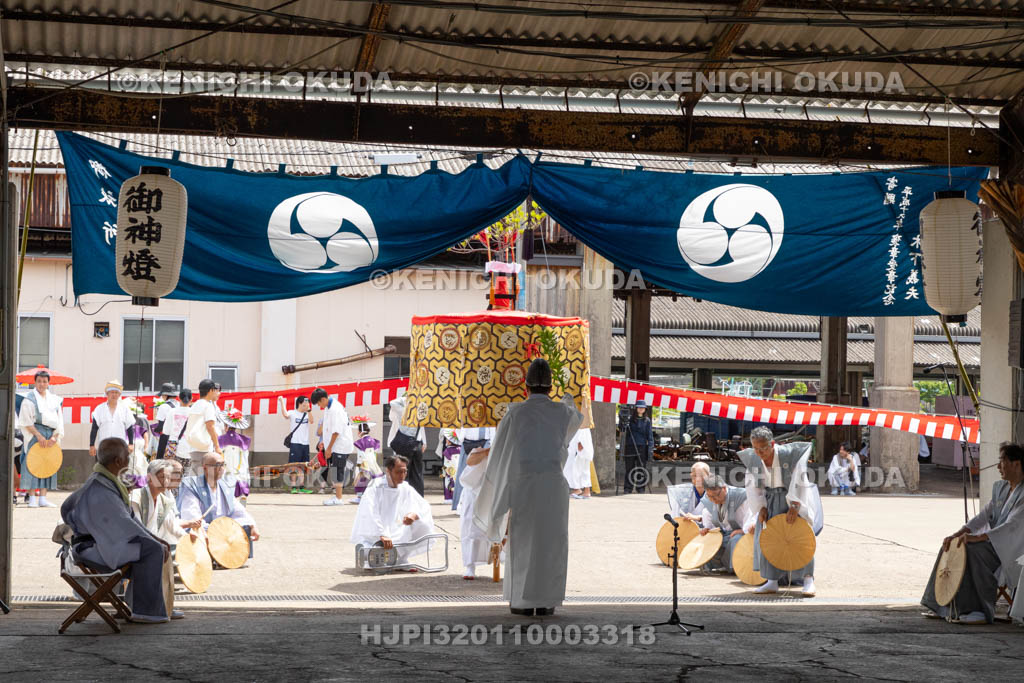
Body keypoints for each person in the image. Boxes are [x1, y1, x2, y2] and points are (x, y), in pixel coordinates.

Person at [474, 358, 583, 616]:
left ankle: (522, 601)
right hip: (554, 486)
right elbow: (575, 419)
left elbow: (501, 453)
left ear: (525, 385)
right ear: (550, 386)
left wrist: (498, 490)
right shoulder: (563, 411)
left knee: (523, 541)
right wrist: (567, 397)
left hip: (525, 483)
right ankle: (547, 601)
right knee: (551, 543)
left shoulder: (515, 412)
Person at [60, 438, 180, 622]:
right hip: (91, 549)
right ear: (117, 461)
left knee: (155, 546)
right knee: (153, 551)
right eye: (127, 456)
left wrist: (155, 539)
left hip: (100, 544)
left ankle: (143, 606)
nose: (129, 459)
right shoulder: (100, 488)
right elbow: (124, 522)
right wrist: (154, 542)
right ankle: (145, 611)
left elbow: (128, 519)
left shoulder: (104, 482)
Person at [922, 442, 1024, 624]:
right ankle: (942, 605)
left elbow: (1012, 526)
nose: (999, 467)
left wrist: (976, 538)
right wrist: (958, 533)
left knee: (971, 550)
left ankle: (978, 611)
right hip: (992, 543)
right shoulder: (1001, 488)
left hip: (1011, 549)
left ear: (1016, 464)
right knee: (951, 545)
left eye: (1002, 461)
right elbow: (983, 516)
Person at [739, 426, 822, 597]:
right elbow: (753, 486)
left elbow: (800, 480)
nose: (760, 452)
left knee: (798, 537)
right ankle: (772, 581)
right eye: (756, 448)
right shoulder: (753, 460)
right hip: (769, 500)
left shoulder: (790, 454)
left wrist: (795, 505)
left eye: (763, 448)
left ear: (772, 443)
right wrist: (760, 507)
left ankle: (808, 580)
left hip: (791, 497)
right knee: (770, 539)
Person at [350, 455, 436, 569]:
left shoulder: (405, 487)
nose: (402, 476)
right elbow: (370, 511)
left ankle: (401, 559)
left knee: (422, 524)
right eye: (398, 472)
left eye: (405, 472)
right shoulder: (376, 486)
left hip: (398, 530)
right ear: (388, 471)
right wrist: (382, 534)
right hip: (377, 533)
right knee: (371, 551)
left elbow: (422, 505)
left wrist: (413, 514)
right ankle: (371, 554)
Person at [178, 452, 259, 559]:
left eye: (223, 464)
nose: (221, 468)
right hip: (205, 528)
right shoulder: (192, 485)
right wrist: (212, 529)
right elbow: (191, 513)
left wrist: (252, 525)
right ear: (205, 468)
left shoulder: (225, 484)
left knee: (246, 526)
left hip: (223, 528)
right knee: (198, 532)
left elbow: (237, 509)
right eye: (217, 465)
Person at [18, 370, 65, 508]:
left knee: (47, 464)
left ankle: (43, 497)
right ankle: (32, 497)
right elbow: (25, 421)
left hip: (51, 435)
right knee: (32, 464)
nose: (42, 384)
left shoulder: (55, 400)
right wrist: (38, 435)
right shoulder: (29, 399)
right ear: (35, 382)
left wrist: (55, 437)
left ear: (48, 383)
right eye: (39, 381)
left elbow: (59, 422)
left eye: (45, 381)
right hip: (34, 434)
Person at [131, 459, 201, 547]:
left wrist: (187, 537)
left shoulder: (163, 501)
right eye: (162, 477)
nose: (166, 481)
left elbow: (172, 526)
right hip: (139, 546)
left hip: (154, 545)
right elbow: (137, 529)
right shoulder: (136, 498)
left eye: (168, 477)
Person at [697, 474, 750, 574]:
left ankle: (735, 568)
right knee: (708, 540)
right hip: (724, 534)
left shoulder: (741, 496)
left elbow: (751, 516)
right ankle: (717, 565)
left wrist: (743, 530)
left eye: (716, 495)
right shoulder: (709, 500)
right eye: (710, 496)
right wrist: (707, 529)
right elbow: (709, 518)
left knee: (736, 539)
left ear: (724, 489)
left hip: (742, 534)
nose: (714, 499)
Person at [312, 388, 355, 506]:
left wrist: (329, 448)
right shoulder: (328, 407)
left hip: (340, 445)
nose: (320, 406)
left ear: (323, 399)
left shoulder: (336, 409)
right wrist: (324, 444)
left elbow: (336, 431)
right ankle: (337, 496)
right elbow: (327, 428)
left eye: (319, 403)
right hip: (333, 444)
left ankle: (339, 498)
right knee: (336, 469)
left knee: (338, 471)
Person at [458, 445, 494, 579]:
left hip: (497, 489)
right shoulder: (481, 448)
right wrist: (487, 452)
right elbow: (470, 461)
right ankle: (470, 565)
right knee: (471, 527)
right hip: (475, 491)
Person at [387, 396, 427, 496]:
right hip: (417, 443)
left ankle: (404, 496)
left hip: (405, 444)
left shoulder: (403, 411)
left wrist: (406, 397)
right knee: (417, 473)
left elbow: (392, 402)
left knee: (403, 472)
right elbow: (422, 428)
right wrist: (424, 442)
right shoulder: (421, 412)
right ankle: (418, 497)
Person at [183, 379, 223, 475]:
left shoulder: (195, 405)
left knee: (194, 478)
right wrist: (217, 446)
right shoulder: (207, 406)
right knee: (203, 479)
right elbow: (210, 427)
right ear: (210, 391)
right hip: (204, 448)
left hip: (193, 446)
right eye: (215, 390)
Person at [452, 426, 495, 511]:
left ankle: (483, 504)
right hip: (466, 440)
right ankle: (459, 504)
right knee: (462, 472)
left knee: (483, 472)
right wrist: (461, 437)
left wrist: (492, 442)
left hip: (485, 440)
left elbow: (492, 426)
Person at [89, 381, 136, 457]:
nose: (114, 395)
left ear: (119, 394)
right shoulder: (99, 409)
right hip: (104, 447)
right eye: (112, 392)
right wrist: (92, 445)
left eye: (116, 392)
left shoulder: (125, 409)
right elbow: (94, 428)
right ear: (107, 394)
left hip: (120, 447)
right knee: (102, 468)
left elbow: (129, 427)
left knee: (119, 468)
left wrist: (131, 443)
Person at [279, 395, 313, 494]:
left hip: (305, 444)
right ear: (299, 403)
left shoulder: (307, 414)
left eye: (308, 403)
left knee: (303, 465)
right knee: (294, 466)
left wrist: (309, 410)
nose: (307, 405)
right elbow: (285, 415)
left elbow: (311, 421)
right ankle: (294, 486)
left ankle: (302, 486)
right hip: (295, 443)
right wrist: (281, 401)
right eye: (305, 403)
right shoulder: (292, 413)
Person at [622, 399, 654, 494]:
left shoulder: (647, 421)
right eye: (639, 407)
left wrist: (650, 449)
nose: (641, 409)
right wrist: (623, 421)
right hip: (630, 446)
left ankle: (640, 488)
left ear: (645, 409)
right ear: (636, 408)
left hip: (642, 447)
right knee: (629, 468)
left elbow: (650, 436)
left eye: (642, 408)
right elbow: (623, 429)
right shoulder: (630, 419)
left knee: (641, 468)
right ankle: (628, 488)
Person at [218, 409, 251, 492]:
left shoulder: (220, 439)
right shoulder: (245, 440)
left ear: (226, 426)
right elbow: (245, 459)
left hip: (225, 473)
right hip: (239, 472)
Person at [350, 423, 384, 504]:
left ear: (360, 431)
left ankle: (360, 497)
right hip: (373, 462)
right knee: (373, 480)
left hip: (363, 463)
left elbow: (361, 456)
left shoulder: (360, 442)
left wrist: (358, 466)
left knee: (360, 479)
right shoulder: (374, 441)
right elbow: (375, 453)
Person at [164, 389, 193, 467]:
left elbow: (165, 431)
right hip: (190, 448)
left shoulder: (172, 412)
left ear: (179, 398)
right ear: (191, 399)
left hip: (173, 448)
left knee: (173, 474)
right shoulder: (193, 413)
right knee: (187, 476)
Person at [563, 427, 594, 499]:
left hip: (580, 444)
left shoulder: (583, 420)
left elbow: (583, 428)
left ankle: (579, 489)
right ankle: (582, 490)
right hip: (579, 443)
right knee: (581, 468)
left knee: (578, 468)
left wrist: (580, 442)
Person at [153, 383, 179, 459]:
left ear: (165, 395)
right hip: (179, 438)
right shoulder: (179, 405)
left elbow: (160, 426)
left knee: (161, 460)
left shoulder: (163, 406)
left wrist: (155, 430)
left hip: (166, 438)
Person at [439, 428, 461, 502]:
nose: (446, 440)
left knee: (448, 484)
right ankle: (457, 498)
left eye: (447, 439)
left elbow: (446, 463)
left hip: (449, 470)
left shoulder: (447, 451)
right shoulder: (460, 449)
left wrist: (444, 472)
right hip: (458, 470)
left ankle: (448, 498)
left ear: (450, 441)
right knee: (457, 484)